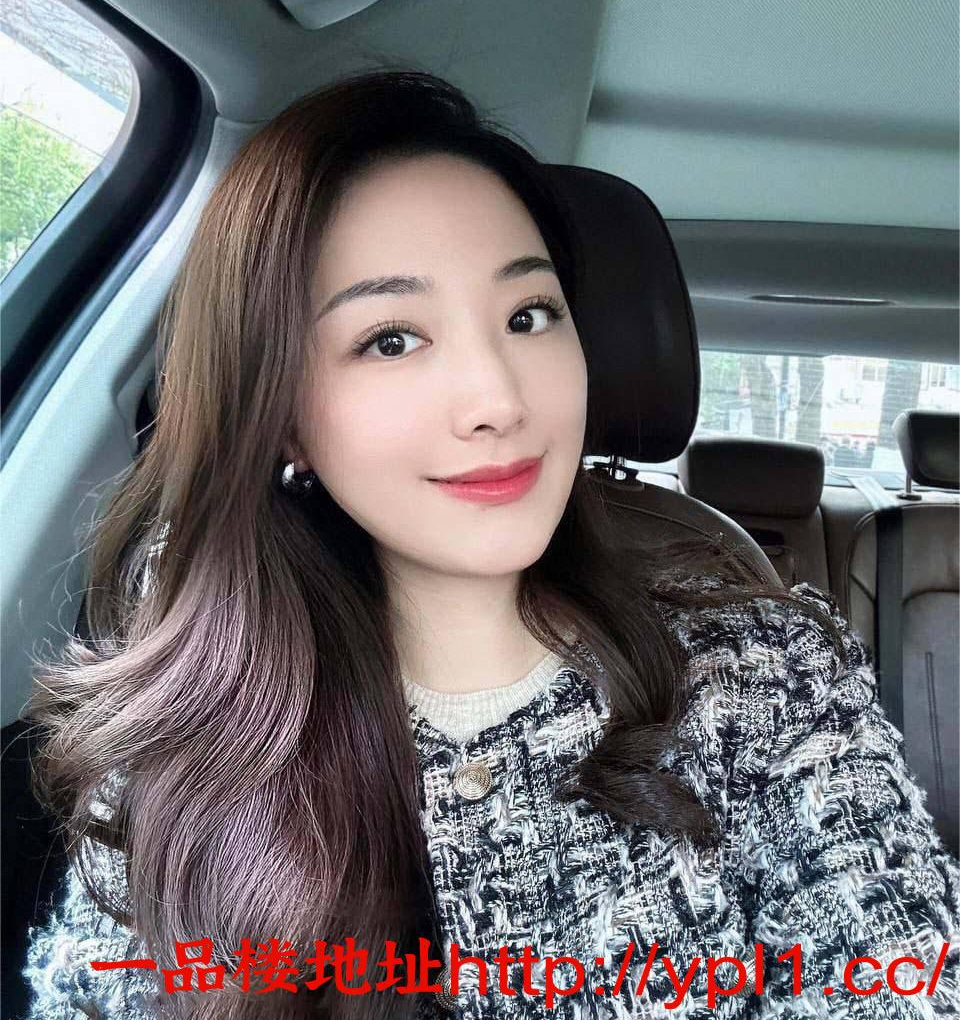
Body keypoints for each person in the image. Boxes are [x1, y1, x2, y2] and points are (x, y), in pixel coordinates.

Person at [21, 68, 959, 1019]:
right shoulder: (177, 745)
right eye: (391, 339)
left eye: (528, 316)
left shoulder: (771, 678)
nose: (500, 400)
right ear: (284, 415)